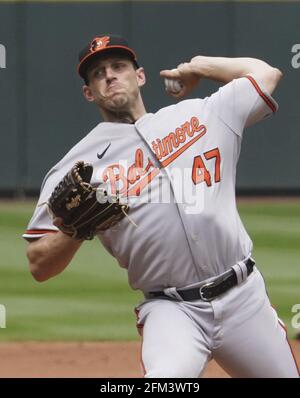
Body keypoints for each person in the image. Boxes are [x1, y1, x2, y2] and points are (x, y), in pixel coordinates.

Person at [23, 34, 299, 378]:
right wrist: (75, 231)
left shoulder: (201, 115)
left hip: (243, 298)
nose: (110, 75)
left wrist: (199, 66)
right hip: (171, 310)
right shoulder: (76, 167)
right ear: (89, 92)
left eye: (119, 66)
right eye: (97, 73)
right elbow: (39, 264)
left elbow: (266, 75)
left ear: (140, 76)